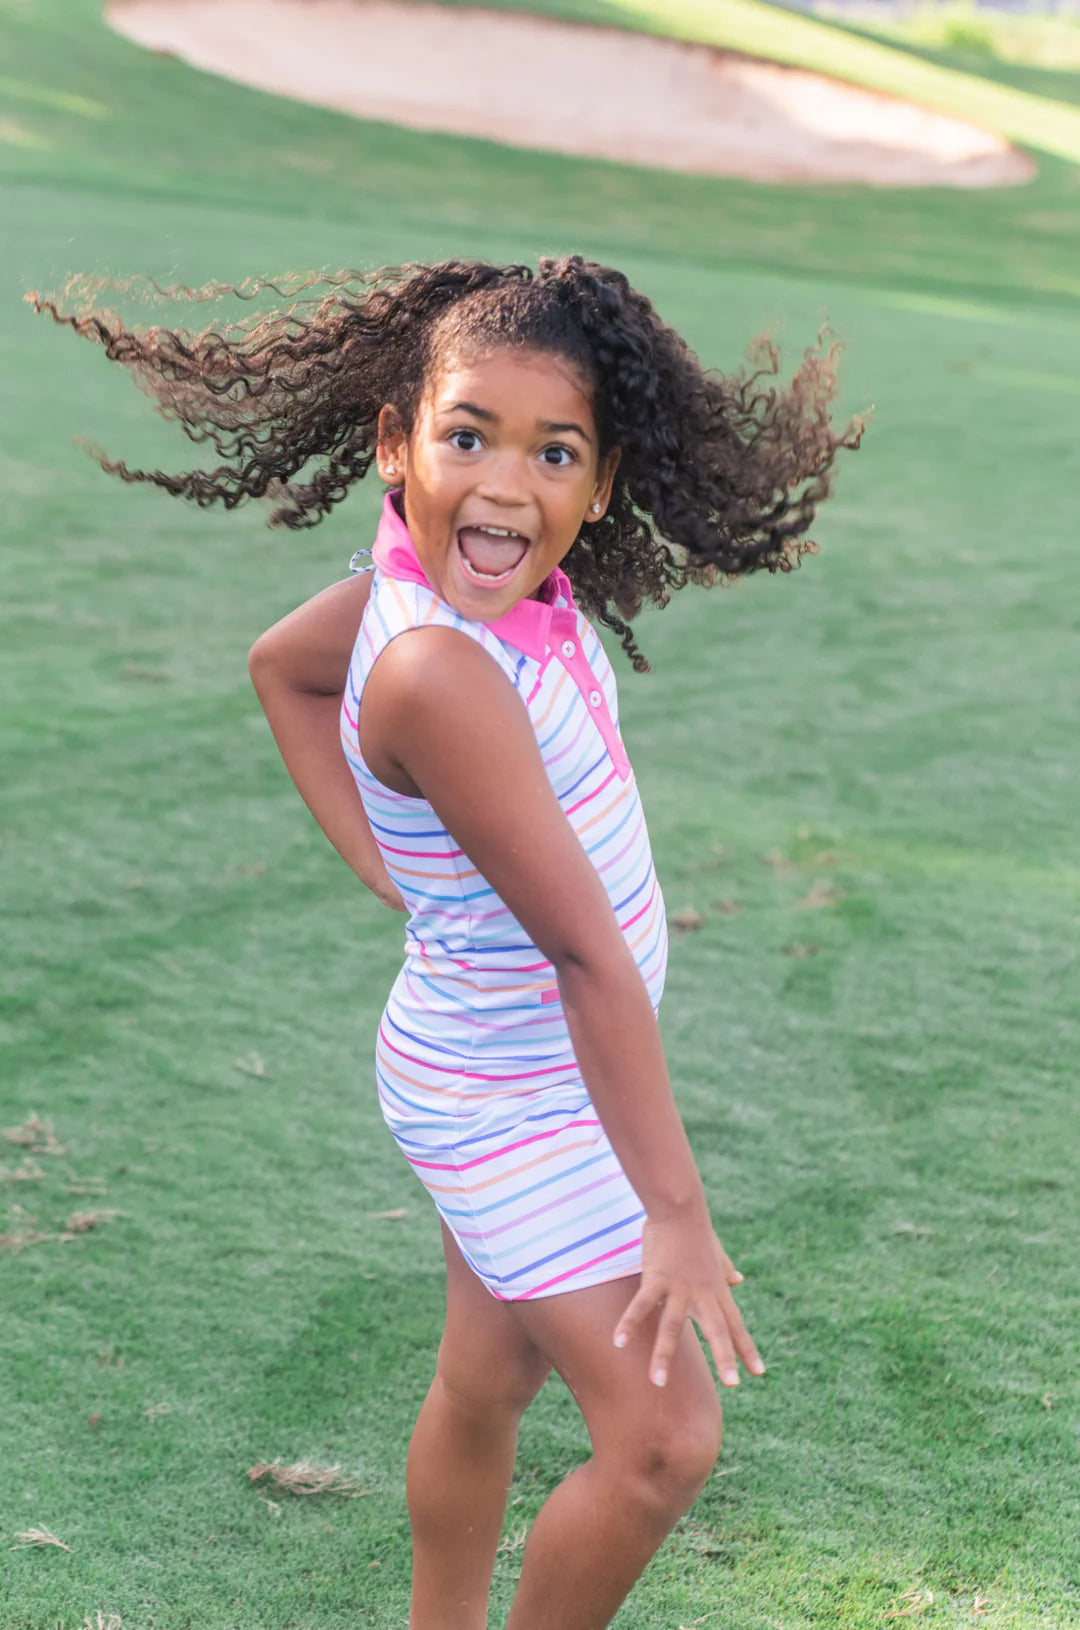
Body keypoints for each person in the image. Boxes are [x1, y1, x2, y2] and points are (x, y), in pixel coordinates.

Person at [29, 255, 861, 1629]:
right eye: (465, 434)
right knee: (663, 1443)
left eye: (555, 452)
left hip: (518, 1057)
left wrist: (403, 878)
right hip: (509, 1092)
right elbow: (588, 957)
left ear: (601, 487)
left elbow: (281, 666)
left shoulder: (451, 592)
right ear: (395, 447)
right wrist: (675, 1210)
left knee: (487, 1378)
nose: (501, 485)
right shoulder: (435, 663)